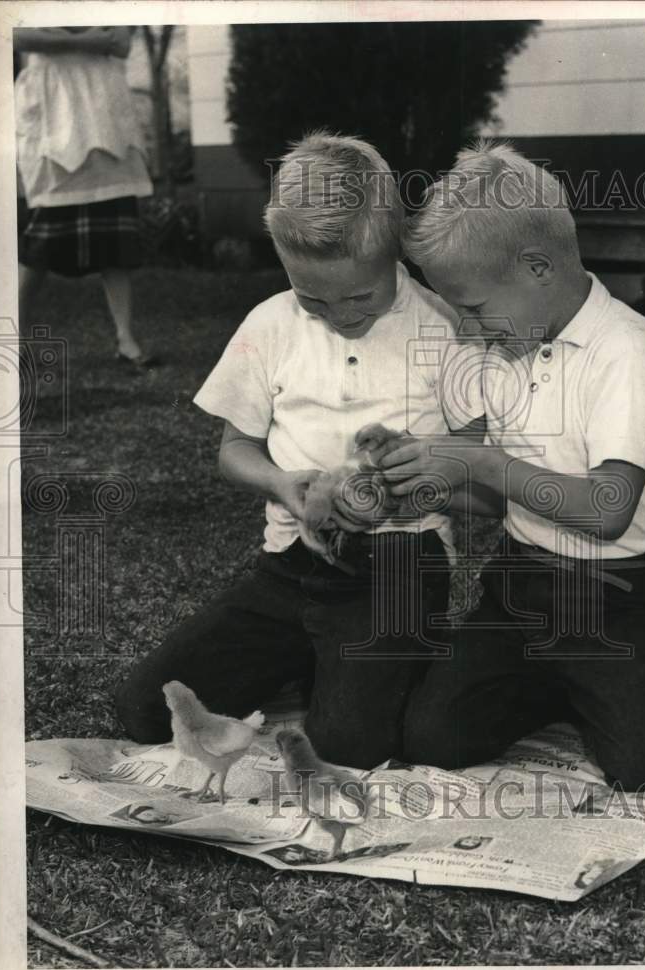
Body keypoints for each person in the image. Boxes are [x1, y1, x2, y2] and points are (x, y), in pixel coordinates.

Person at [115, 133, 485, 768]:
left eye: (360, 298)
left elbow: (477, 464)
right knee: (149, 709)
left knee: (350, 746)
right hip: (289, 565)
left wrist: (422, 477)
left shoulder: (443, 327)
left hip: (400, 564)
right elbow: (235, 450)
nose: (339, 316)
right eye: (313, 299)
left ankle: (379, 658)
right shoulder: (269, 324)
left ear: (395, 248)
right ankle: (320, 654)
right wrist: (280, 483)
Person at [371, 141, 645, 789]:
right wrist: (422, 483)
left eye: (474, 308)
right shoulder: (501, 349)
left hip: (608, 592)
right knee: (433, 736)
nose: (470, 330)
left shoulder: (627, 352)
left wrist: (479, 459)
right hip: (516, 585)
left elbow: (608, 510)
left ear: (537, 267)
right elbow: (491, 497)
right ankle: (562, 685)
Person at [14, 26, 158, 369]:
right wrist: (86, 40)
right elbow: (19, 36)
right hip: (54, 106)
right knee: (42, 240)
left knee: (115, 238)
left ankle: (125, 338)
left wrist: (63, 38)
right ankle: (12, 336)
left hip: (102, 110)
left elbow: (121, 43)